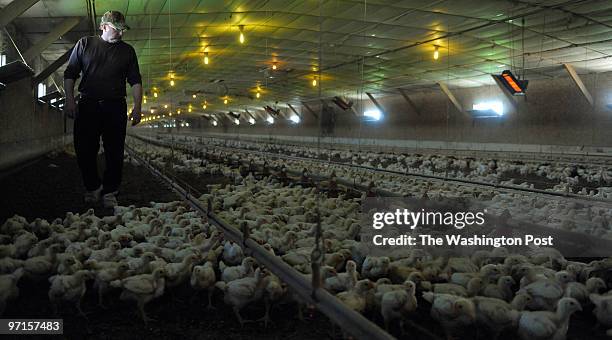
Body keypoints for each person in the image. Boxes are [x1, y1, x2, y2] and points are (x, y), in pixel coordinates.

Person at [63, 10, 142, 208]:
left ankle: (110, 191)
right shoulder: (85, 44)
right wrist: (70, 100)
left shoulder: (128, 51)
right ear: (104, 27)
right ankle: (93, 186)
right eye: (118, 30)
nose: (121, 34)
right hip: (88, 104)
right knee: (83, 149)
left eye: (123, 30)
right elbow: (70, 73)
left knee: (114, 151)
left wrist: (138, 107)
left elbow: (135, 81)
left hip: (115, 106)